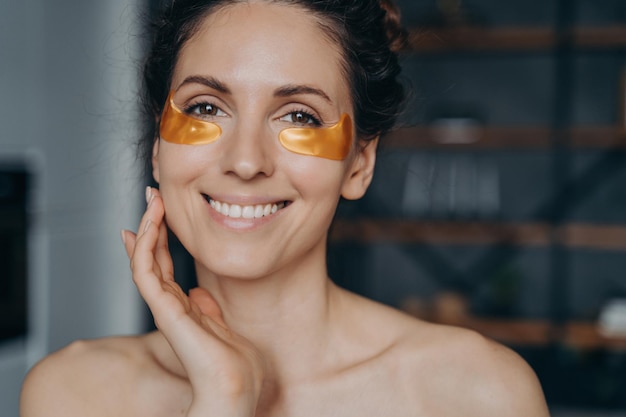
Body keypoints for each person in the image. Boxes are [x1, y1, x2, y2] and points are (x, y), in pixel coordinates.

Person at [20, 0, 550, 416]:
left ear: (360, 164)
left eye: (298, 115)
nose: (246, 161)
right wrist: (223, 400)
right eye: (206, 107)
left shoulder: (479, 394)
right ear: (159, 148)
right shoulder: (72, 394)